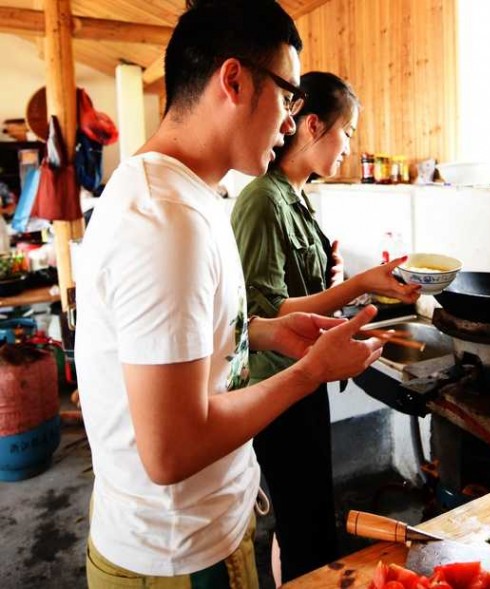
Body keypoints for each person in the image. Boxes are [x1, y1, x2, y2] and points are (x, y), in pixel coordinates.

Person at [73, 2, 385, 587]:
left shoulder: (193, 194)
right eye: (288, 95)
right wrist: (308, 372)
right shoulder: (165, 220)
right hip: (176, 557)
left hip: (196, 533)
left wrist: (264, 331)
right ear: (234, 80)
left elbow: (179, 340)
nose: (292, 123)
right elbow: (172, 449)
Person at [230, 71, 421, 582]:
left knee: (305, 517)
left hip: (303, 379)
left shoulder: (298, 196)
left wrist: (334, 276)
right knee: (304, 526)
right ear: (312, 125)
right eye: (349, 132)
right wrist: (356, 283)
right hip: (276, 387)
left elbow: (296, 291)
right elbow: (261, 315)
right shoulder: (262, 201)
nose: (349, 147)